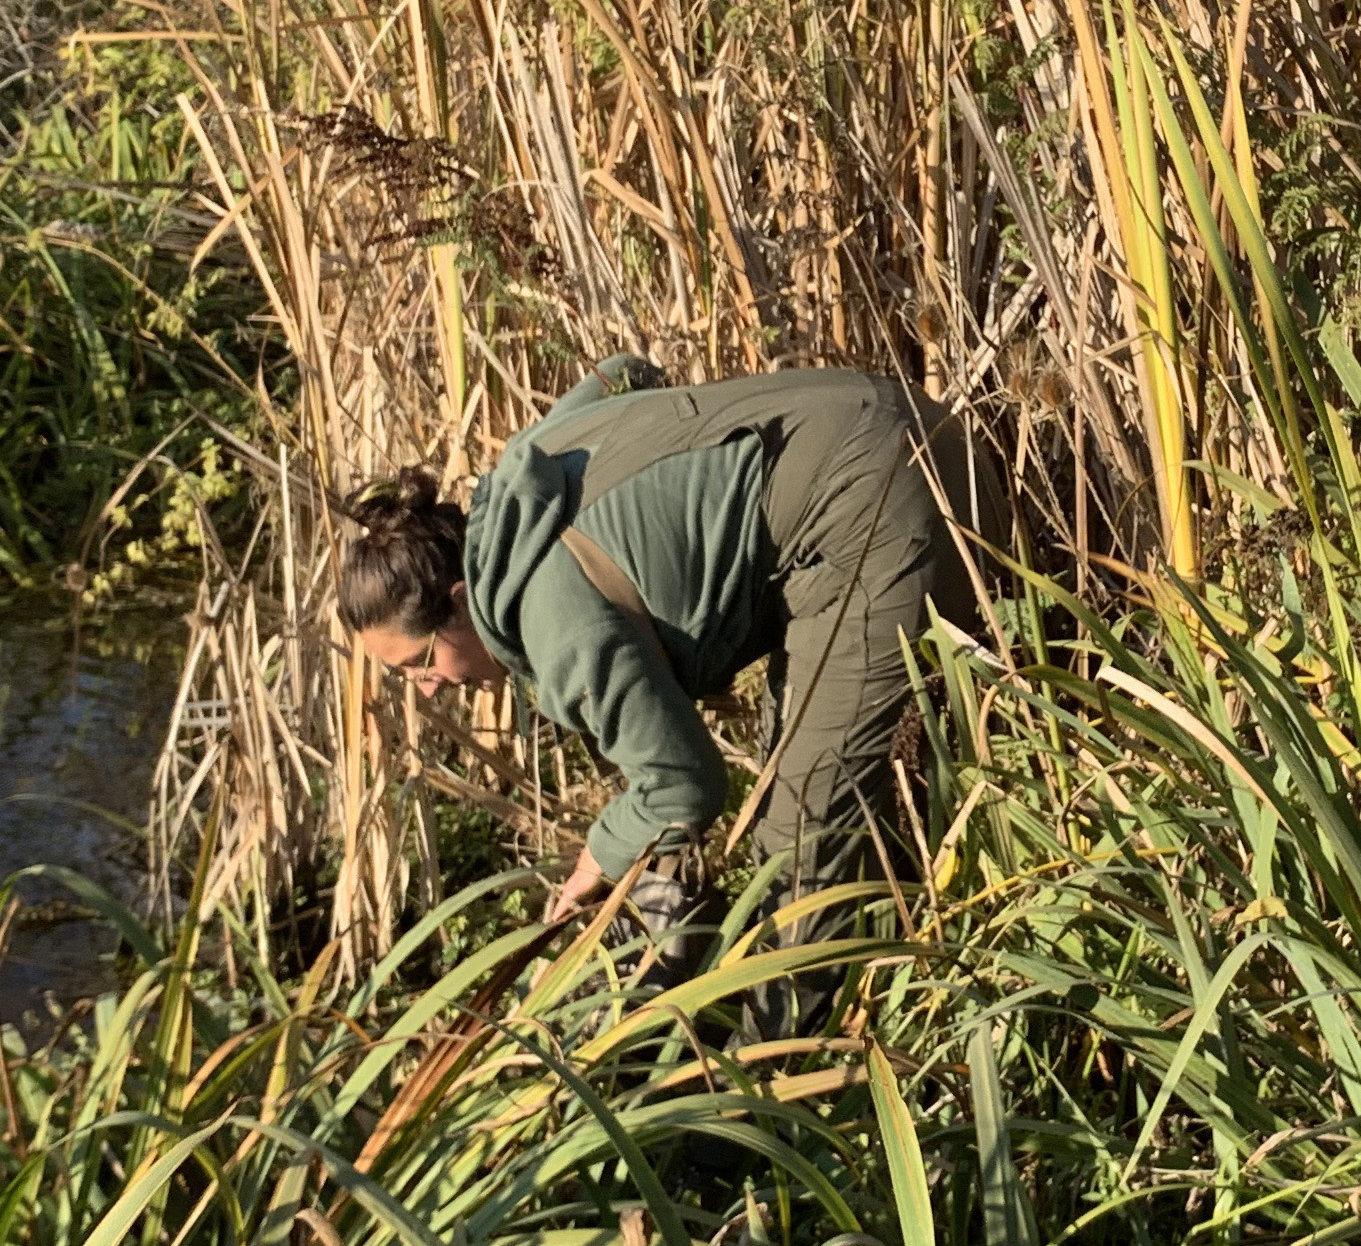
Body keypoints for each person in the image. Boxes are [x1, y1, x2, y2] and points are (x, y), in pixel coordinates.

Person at [334, 355, 1004, 931]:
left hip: (890, 507)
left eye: (419, 664)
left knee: (795, 839)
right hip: (909, 417)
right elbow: (626, 372)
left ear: (458, 601)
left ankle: (788, 1064)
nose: (427, 689)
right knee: (790, 763)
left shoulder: (554, 625)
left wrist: (599, 852)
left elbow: (684, 788)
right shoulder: (523, 484)